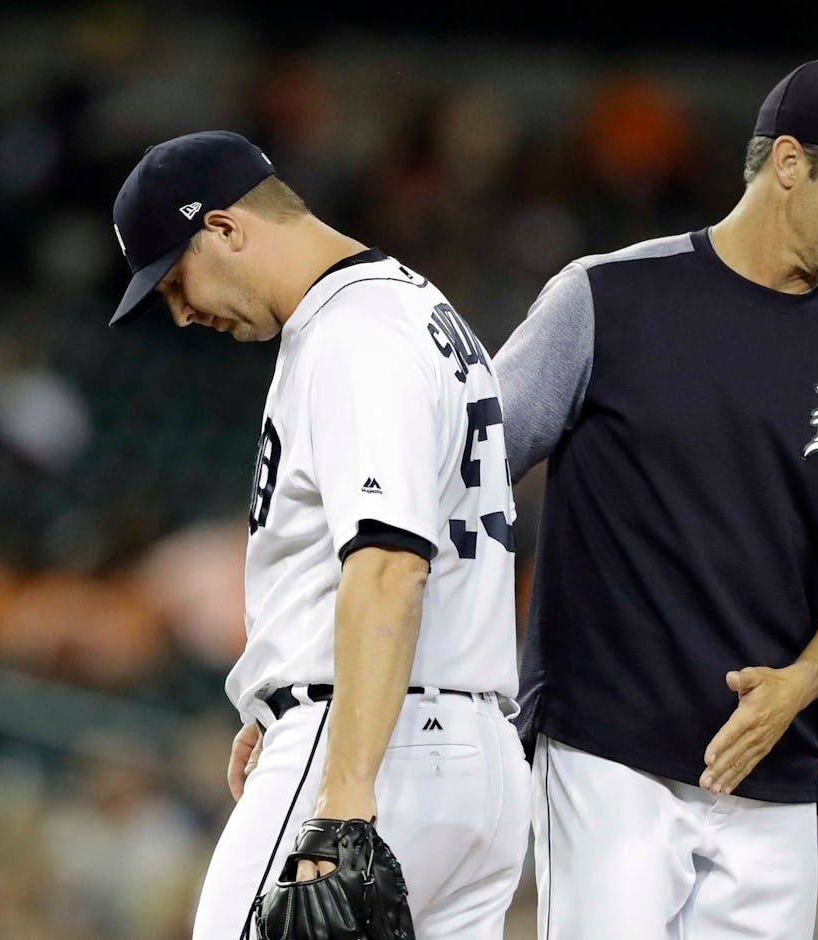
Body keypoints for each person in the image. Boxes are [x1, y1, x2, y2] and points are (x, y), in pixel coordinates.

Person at [494, 58, 818, 939]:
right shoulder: (607, 297)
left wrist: (801, 684)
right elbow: (468, 474)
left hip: (771, 769)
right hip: (607, 747)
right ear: (789, 162)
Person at [109, 131, 529, 939]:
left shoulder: (354, 332)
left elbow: (389, 566)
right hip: (473, 765)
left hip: (375, 748)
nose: (183, 311)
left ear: (226, 229)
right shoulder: (418, 309)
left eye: (173, 279)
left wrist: (342, 798)